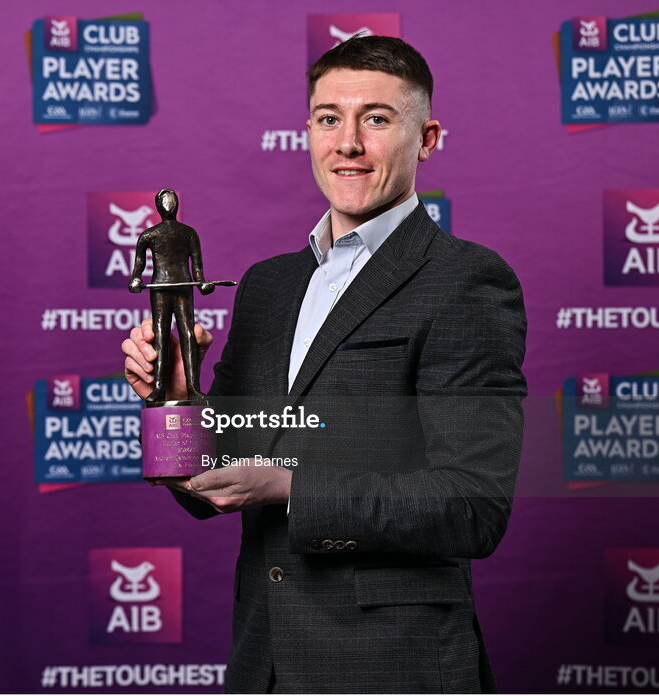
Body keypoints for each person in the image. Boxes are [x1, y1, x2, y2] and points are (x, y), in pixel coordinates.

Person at [122, 35, 526, 693]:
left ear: (426, 139)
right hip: (264, 666)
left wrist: (289, 486)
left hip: (393, 670)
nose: (348, 143)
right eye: (329, 118)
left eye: (377, 119)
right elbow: (209, 484)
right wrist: (175, 395)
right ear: (308, 131)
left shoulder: (465, 280)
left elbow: (472, 507)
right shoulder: (268, 285)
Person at [128, 189, 214, 403]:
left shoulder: (188, 233)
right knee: (160, 334)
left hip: (184, 287)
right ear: (158, 206)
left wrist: (202, 283)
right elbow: (139, 262)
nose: (169, 205)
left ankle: (193, 388)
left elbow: (197, 265)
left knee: (188, 335)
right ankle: (159, 387)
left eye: (171, 201)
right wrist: (136, 278)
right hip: (160, 289)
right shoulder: (149, 235)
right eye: (165, 201)